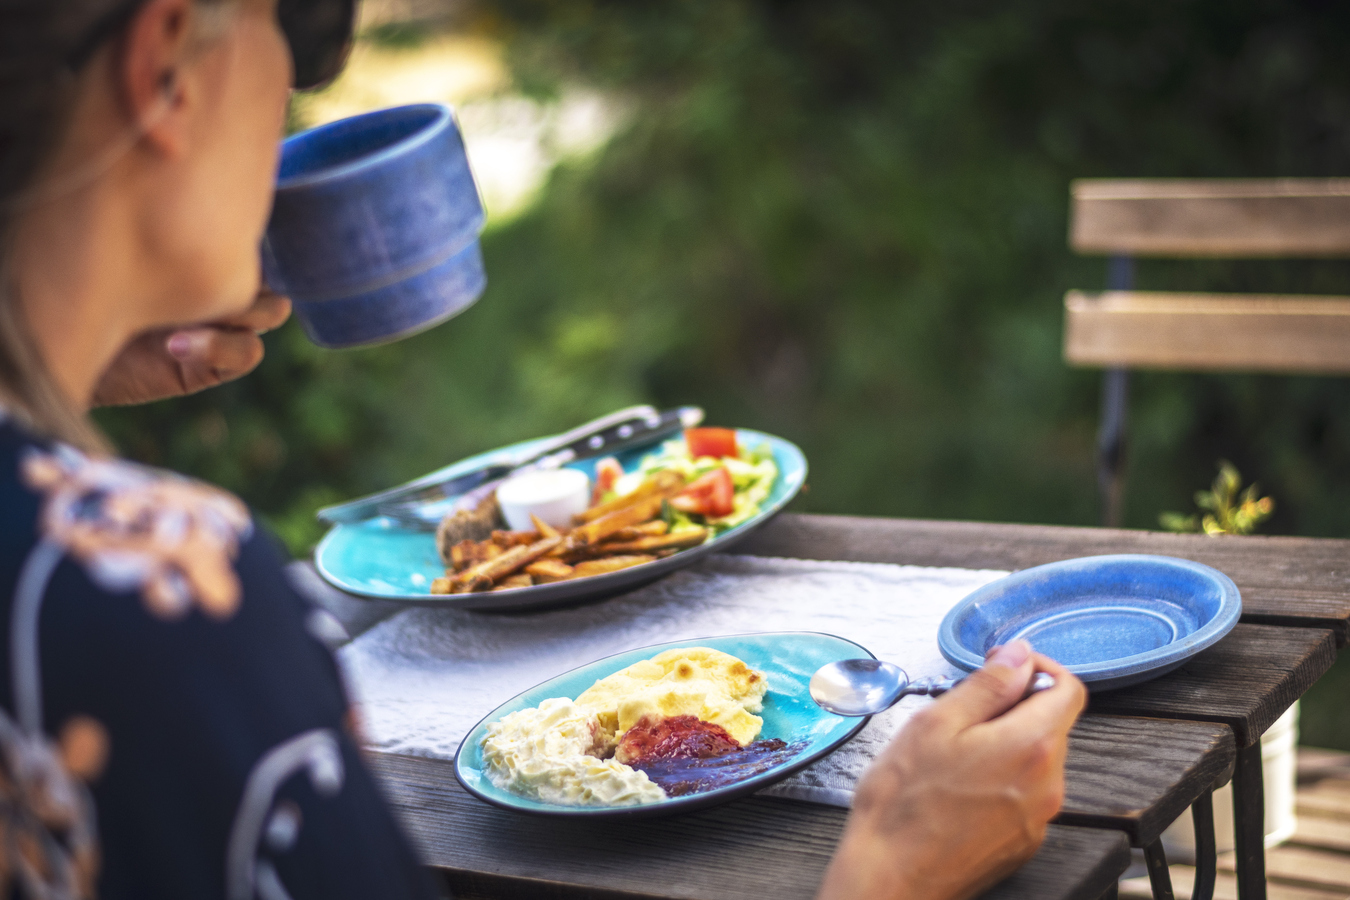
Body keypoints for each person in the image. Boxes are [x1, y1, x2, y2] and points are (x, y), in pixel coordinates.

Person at [0, 1, 1087, 898]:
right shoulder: (157, 589)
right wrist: (893, 870)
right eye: (295, 65)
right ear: (167, 66)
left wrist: (65, 364)